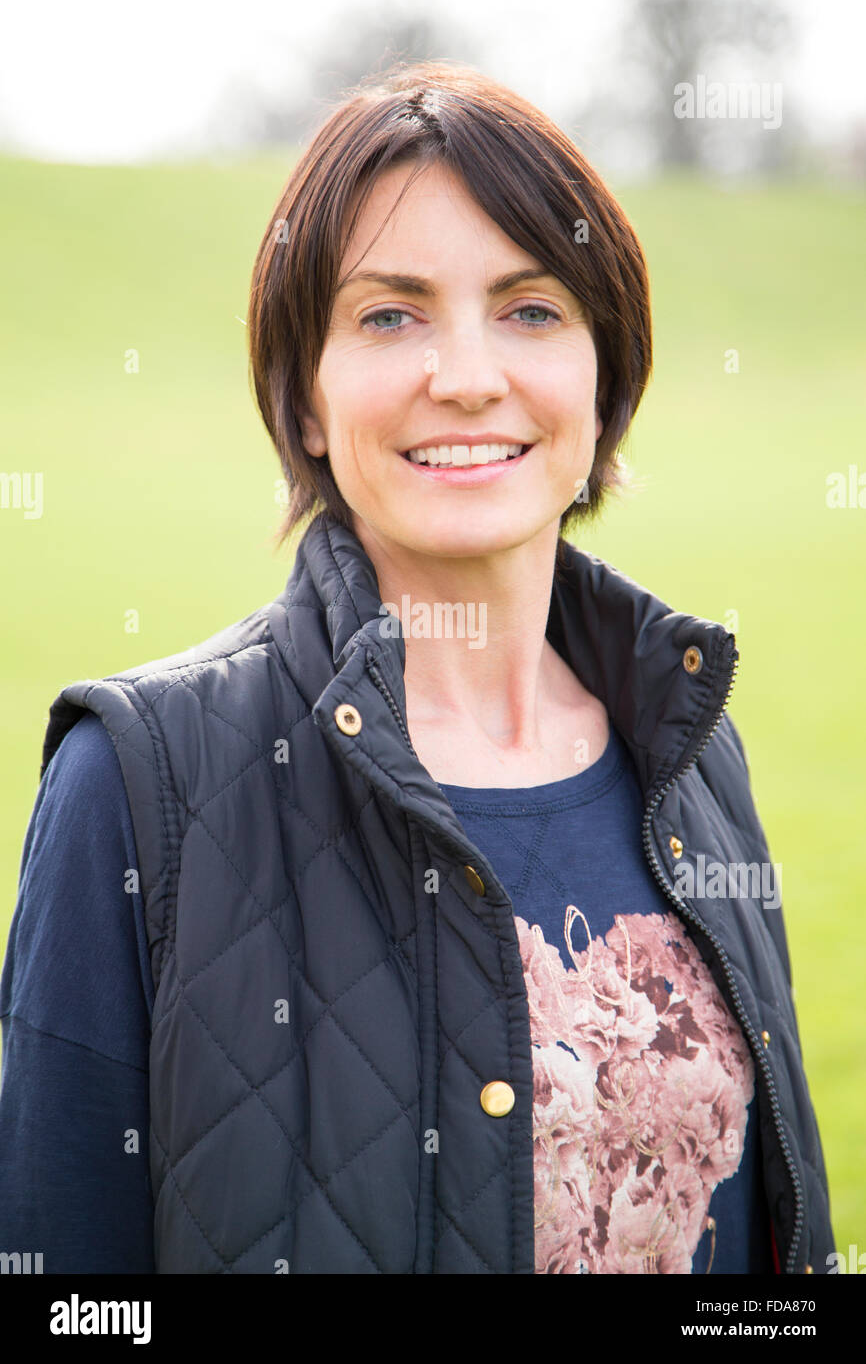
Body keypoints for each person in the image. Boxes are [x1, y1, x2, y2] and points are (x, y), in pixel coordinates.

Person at [0, 61, 834, 1275]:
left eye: (531, 308)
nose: (466, 374)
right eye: (388, 314)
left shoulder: (694, 752)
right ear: (301, 396)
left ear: (603, 383)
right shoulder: (135, 786)